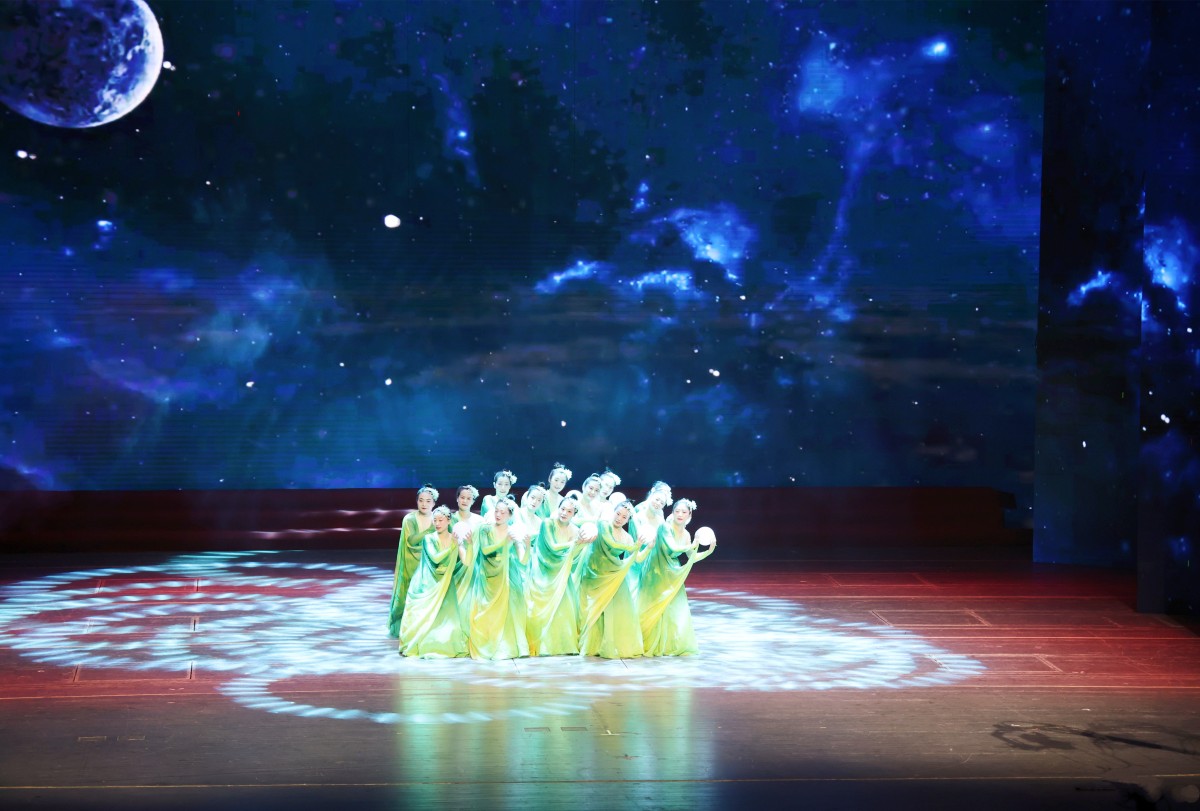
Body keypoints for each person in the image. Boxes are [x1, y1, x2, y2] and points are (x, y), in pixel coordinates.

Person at [638, 498, 716, 656]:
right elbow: (673, 547)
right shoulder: (665, 527)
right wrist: (693, 544)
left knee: (672, 608)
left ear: (689, 515)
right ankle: (644, 643)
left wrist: (709, 550)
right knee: (653, 607)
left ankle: (666, 645)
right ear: (672, 513)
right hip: (655, 569)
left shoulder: (686, 534)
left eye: (684, 512)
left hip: (672, 572)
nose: (680, 514)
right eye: (677, 511)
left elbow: (691, 556)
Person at [577, 500, 652, 659]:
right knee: (594, 610)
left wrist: (648, 548)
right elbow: (611, 542)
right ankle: (592, 644)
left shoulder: (627, 537)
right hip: (595, 573)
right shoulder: (603, 525)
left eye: (624, 517)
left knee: (617, 611)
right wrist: (634, 546)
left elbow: (637, 558)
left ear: (628, 520)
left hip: (614, 574)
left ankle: (611, 644)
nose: (619, 518)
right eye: (618, 514)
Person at [398, 506, 468, 658]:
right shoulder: (429, 538)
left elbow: (466, 561)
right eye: (434, 520)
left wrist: (469, 545)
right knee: (424, 617)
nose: (437, 523)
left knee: (446, 618)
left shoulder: (454, 538)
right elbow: (436, 558)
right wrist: (453, 546)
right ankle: (421, 644)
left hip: (445, 583)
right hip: (427, 583)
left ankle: (442, 645)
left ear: (448, 520)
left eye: (440, 520)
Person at [465, 497, 530, 660]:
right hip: (488, 575)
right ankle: (487, 644)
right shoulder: (485, 529)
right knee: (486, 611)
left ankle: (505, 646)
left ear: (510, 515)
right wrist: (504, 542)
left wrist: (527, 546)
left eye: (503, 512)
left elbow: (523, 560)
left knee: (510, 610)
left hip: (508, 575)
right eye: (497, 511)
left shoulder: (513, 532)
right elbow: (486, 550)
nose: (499, 515)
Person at [526, 495, 587, 656]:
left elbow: (573, 555)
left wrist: (581, 544)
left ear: (574, 514)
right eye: (562, 509)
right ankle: (538, 644)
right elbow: (552, 546)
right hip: (543, 571)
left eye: (569, 511)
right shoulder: (547, 523)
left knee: (563, 608)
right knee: (537, 608)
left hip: (561, 572)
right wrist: (574, 543)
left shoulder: (575, 530)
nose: (564, 513)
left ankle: (559, 645)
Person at [386, 484, 437, 638]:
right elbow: (411, 540)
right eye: (421, 500)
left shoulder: (438, 518)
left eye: (428, 501)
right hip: (412, 563)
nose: (424, 504)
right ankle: (407, 628)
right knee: (409, 596)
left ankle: (426, 629)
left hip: (432, 563)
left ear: (434, 503)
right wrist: (429, 531)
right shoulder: (409, 519)